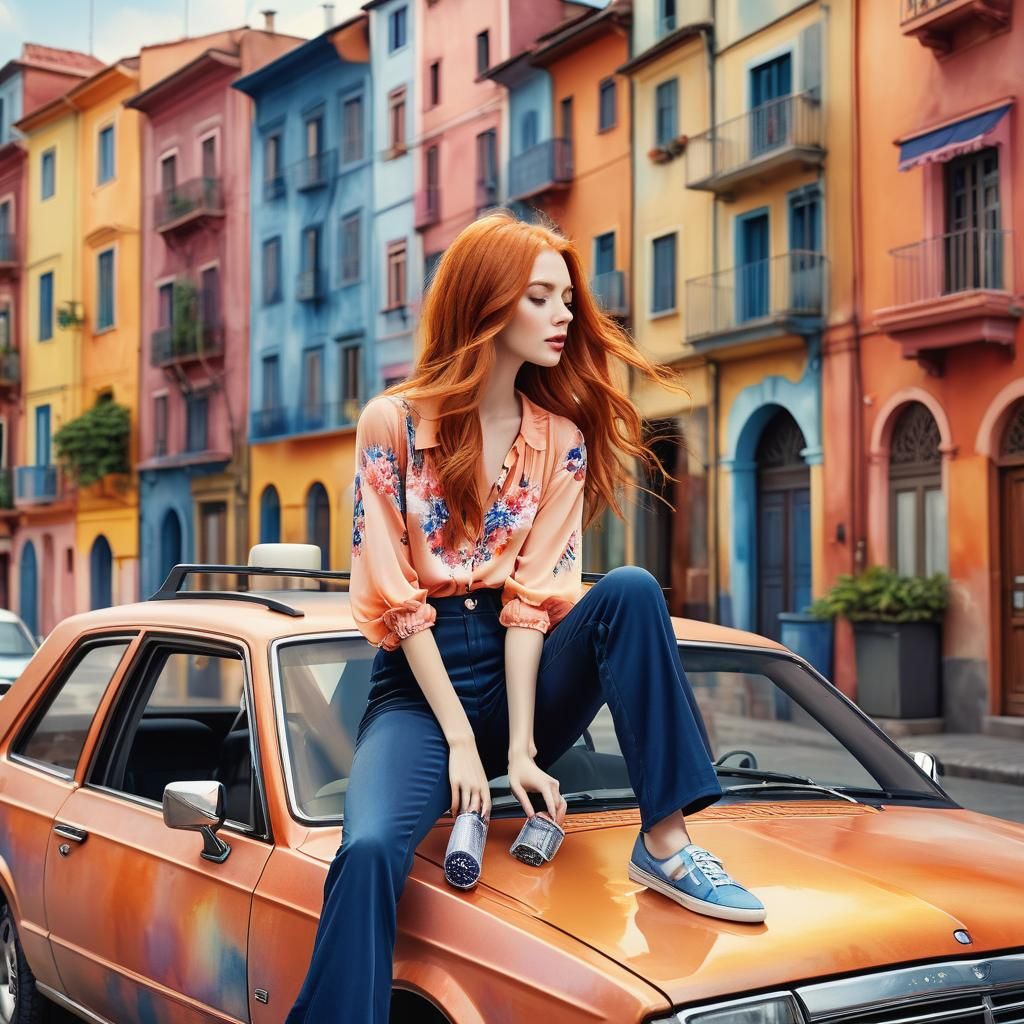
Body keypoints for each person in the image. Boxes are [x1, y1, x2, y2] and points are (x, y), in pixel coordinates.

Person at [285, 210, 765, 1024]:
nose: (564, 316)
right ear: (488, 304)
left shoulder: (561, 440)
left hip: (525, 673)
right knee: (365, 852)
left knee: (632, 589)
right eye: (540, 297)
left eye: (567, 301)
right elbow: (398, 603)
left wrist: (516, 746)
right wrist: (464, 745)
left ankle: (668, 841)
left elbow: (533, 604)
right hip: (418, 684)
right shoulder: (392, 423)